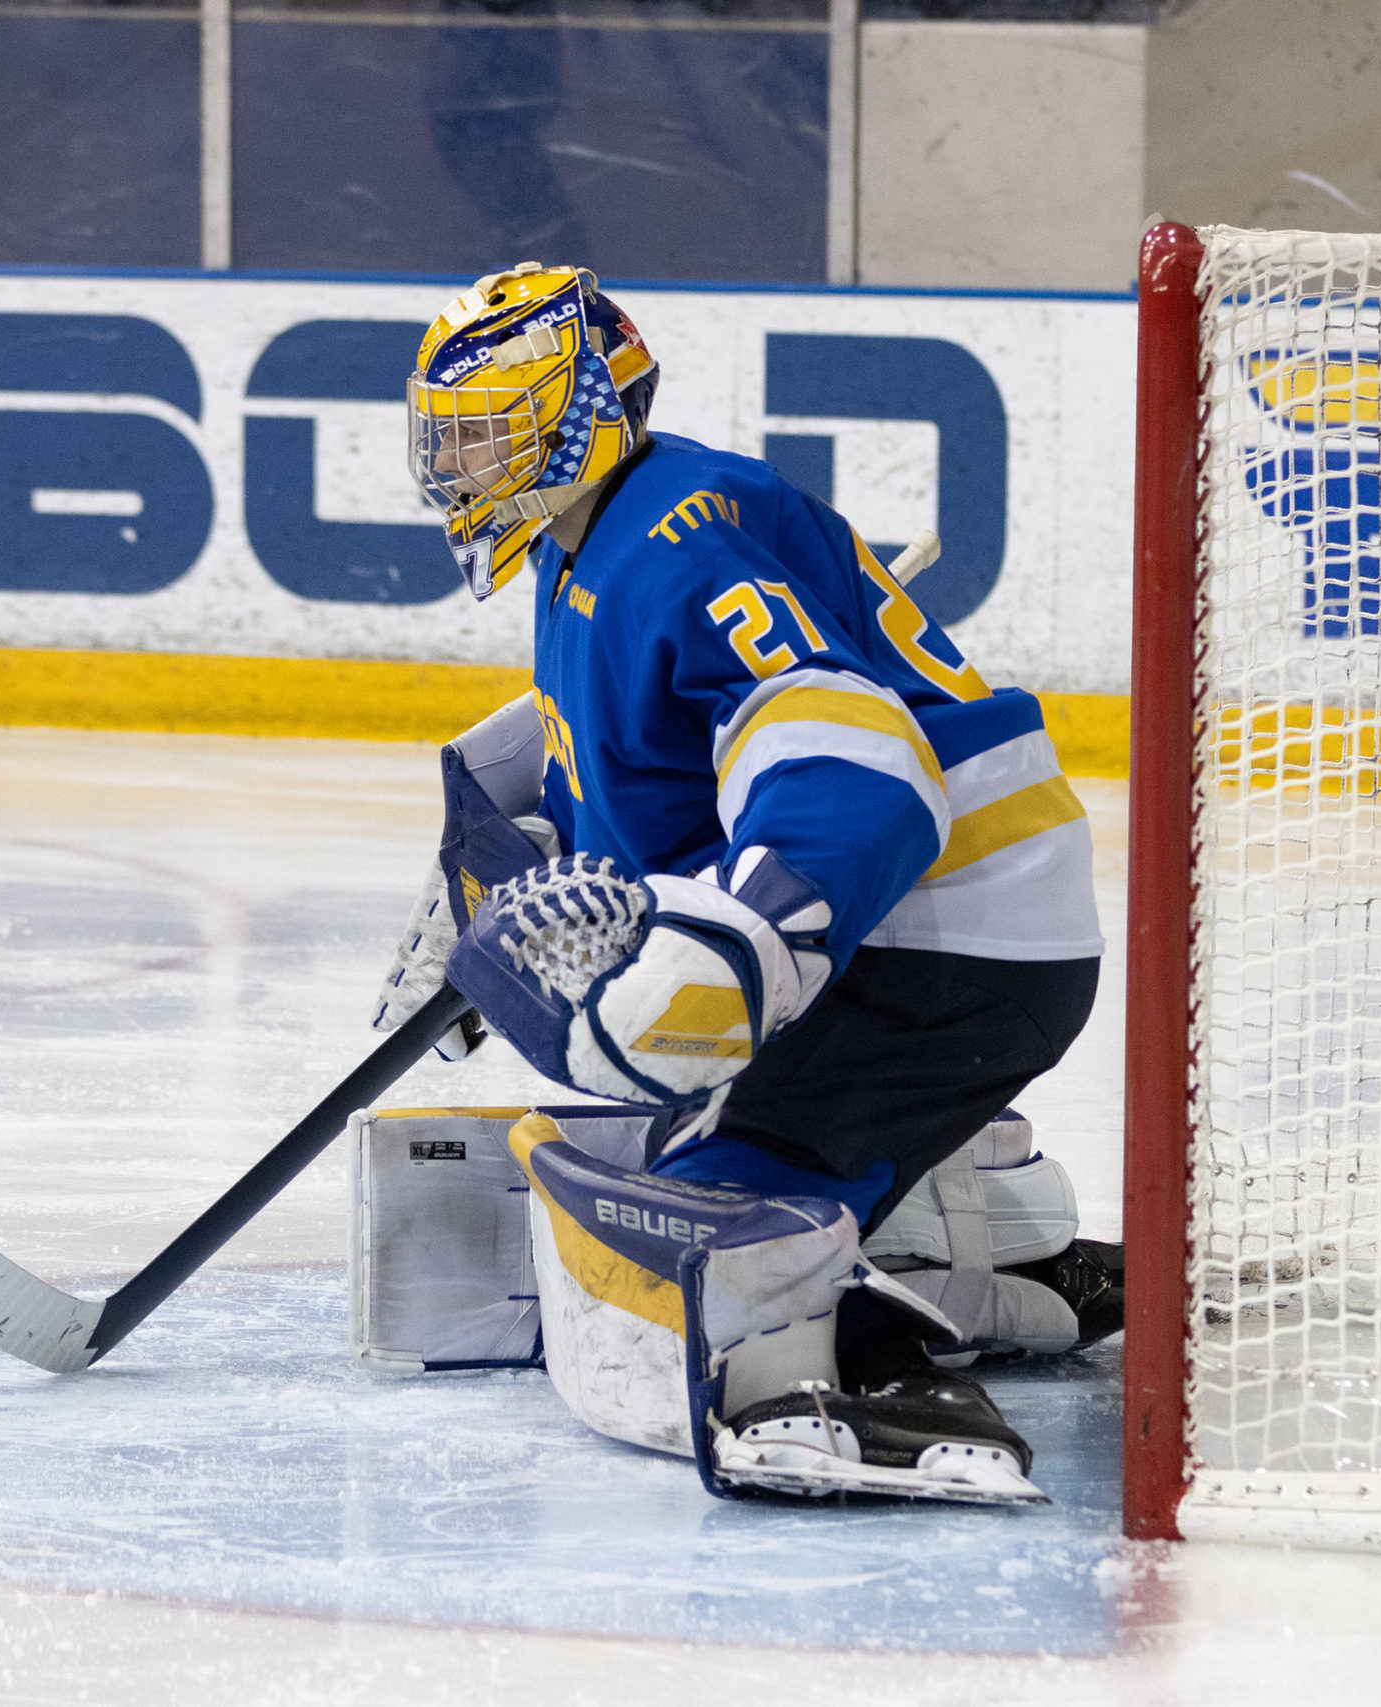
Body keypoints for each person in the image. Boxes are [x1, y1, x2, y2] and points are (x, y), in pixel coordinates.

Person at [370, 263, 1115, 1505]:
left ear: (581, 405)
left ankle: (825, 1369)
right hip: (925, 922)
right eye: (446, 436)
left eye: (490, 428)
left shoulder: (682, 532)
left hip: (936, 932)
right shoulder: (597, 534)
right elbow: (632, 754)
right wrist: (493, 866)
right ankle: (974, 1231)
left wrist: (731, 950)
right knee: (681, 1130)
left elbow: (859, 774)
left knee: (697, 1206)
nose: (459, 465)